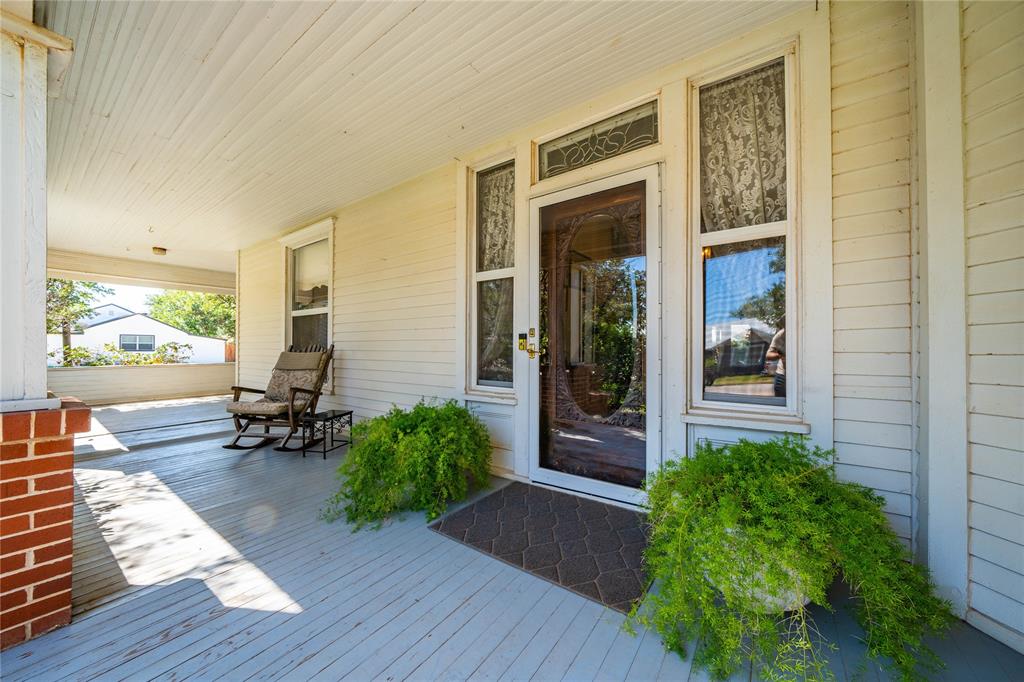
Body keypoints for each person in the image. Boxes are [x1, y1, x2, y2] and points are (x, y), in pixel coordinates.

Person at [766, 325, 785, 398]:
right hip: (783, 376)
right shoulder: (781, 335)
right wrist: (781, 355)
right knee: (781, 403)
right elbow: (768, 355)